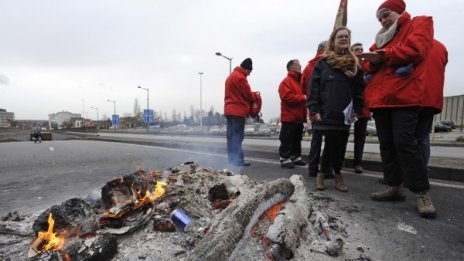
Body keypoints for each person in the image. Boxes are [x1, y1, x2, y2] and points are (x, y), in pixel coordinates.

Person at [361, 0, 436, 218]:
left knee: (405, 142)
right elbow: (367, 64)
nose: (383, 20)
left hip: (405, 96)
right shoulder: (381, 39)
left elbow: (416, 50)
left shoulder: (420, 23)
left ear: (400, 11)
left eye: (386, 15)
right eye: (380, 18)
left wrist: (383, 57)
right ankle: (394, 185)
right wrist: (375, 60)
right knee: (387, 144)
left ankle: (422, 191)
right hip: (381, 98)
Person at [308, 26, 365, 192]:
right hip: (326, 110)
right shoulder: (323, 64)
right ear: (333, 41)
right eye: (340, 36)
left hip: (345, 112)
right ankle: (326, 174)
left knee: (340, 145)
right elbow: (314, 89)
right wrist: (314, 108)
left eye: (346, 36)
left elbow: (359, 90)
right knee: (331, 144)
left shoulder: (354, 65)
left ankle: (331, 174)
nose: (344, 39)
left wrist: (358, 107)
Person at [415, 39, 448, 175]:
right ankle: (422, 171)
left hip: (415, 96)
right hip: (433, 98)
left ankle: (412, 175)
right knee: (423, 137)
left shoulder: (415, 43)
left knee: (410, 139)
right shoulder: (441, 47)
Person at [301, 41, 333, 178]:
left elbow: (302, 87)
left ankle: (312, 169)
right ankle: (326, 169)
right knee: (330, 140)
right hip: (329, 106)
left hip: (314, 108)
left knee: (316, 139)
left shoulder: (308, 67)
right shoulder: (329, 63)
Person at [224, 58, 255, 170]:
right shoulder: (240, 78)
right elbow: (248, 94)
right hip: (237, 111)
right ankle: (237, 161)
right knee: (237, 137)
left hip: (229, 110)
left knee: (232, 137)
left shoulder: (231, 76)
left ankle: (233, 160)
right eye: (249, 72)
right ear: (247, 69)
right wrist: (255, 96)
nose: (249, 74)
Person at [278, 59, 307, 169]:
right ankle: (284, 158)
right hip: (289, 117)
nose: (300, 66)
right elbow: (286, 97)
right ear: (291, 68)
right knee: (287, 138)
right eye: (298, 65)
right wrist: (303, 97)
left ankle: (295, 157)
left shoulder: (297, 82)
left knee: (297, 138)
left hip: (298, 117)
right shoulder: (286, 82)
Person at [350, 43, 371, 174]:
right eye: (356, 50)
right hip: (350, 107)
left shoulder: (368, 67)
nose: (359, 52)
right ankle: (337, 161)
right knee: (342, 135)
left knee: (360, 137)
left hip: (364, 108)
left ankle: (358, 162)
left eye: (361, 50)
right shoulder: (349, 67)